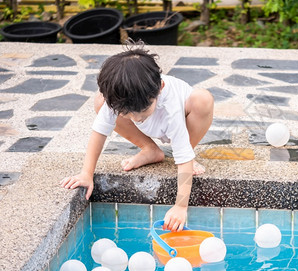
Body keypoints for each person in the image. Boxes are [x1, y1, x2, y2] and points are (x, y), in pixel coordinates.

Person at [60, 44, 214, 232]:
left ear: (160, 88)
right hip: (153, 124)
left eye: (141, 111)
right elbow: (99, 133)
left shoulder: (171, 105)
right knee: (100, 102)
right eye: (127, 113)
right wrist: (86, 173)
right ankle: (150, 150)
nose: (136, 118)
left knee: (203, 99)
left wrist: (180, 206)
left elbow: (183, 160)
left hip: (185, 123)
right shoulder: (118, 97)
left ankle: (187, 153)